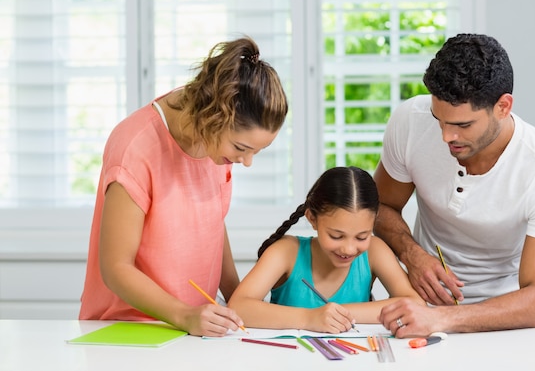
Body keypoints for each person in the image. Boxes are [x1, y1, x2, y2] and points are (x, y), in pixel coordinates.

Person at [79, 37, 289, 337]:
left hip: (190, 328)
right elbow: (116, 268)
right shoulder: (135, 147)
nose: (246, 162)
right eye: (242, 147)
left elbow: (212, 222)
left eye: (257, 151)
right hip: (128, 330)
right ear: (216, 114)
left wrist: (237, 297)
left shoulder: (213, 137)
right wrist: (184, 316)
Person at [373, 33, 535, 337]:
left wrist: (441, 320)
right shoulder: (410, 122)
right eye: (439, 119)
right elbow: (380, 206)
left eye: (462, 125)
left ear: (503, 106)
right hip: (417, 309)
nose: (446, 136)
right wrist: (411, 254)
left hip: (506, 320)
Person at [228, 166, 424, 334]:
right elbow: (239, 306)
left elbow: (415, 304)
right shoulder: (286, 251)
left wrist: (338, 315)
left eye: (361, 237)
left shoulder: (374, 250)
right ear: (312, 219)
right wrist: (309, 318)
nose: (348, 248)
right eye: (336, 236)